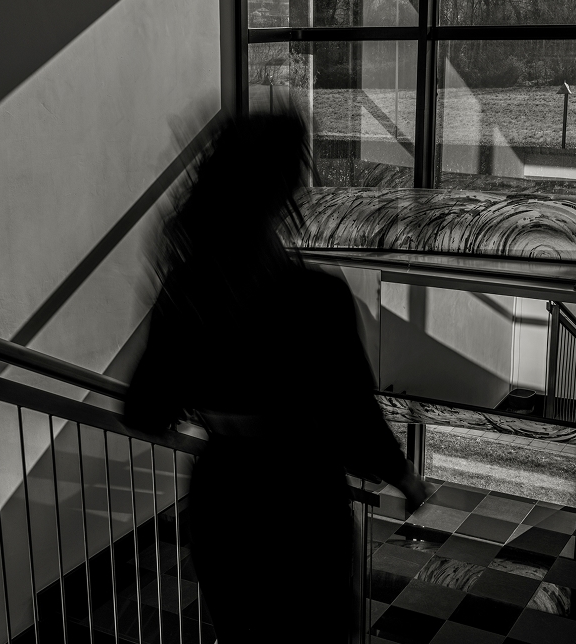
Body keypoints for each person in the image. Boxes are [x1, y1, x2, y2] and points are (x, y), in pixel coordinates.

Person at [124, 112, 429, 643]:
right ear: (283, 193)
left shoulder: (185, 293)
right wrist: (404, 475)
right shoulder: (317, 298)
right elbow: (353, 417)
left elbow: (145, 409)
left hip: (222, 503)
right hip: (301, 502)